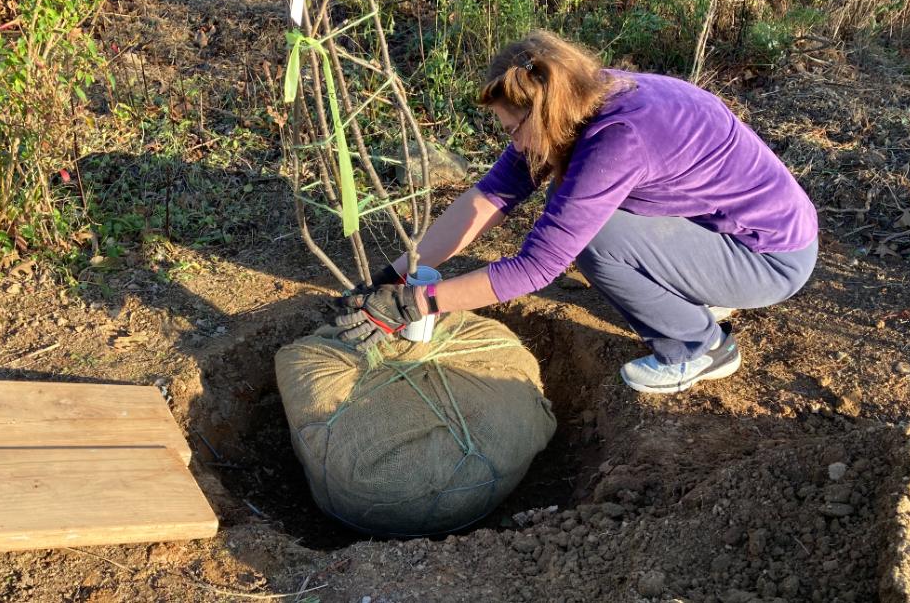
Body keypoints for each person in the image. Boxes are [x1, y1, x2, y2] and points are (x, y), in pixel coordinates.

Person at [335, 30, 818, 394]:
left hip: (768, 258)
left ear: (540, 111)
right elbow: (490, 197)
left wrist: (418, 304)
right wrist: (397, 276)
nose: (509, 140)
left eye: (510, 128)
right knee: (586, 222)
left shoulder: (619, 140)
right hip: (721, 229)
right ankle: (695, 289)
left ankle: (701, 347)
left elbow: (538, 266)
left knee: (592, 237)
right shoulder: (583, 98)